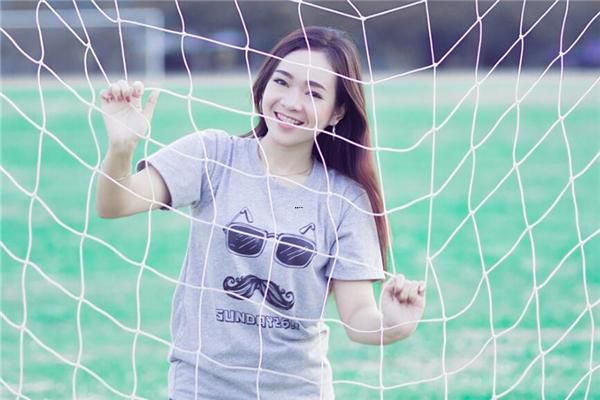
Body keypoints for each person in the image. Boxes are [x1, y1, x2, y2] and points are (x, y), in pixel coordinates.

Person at [97, 26, 426, 400]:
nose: (291, 102)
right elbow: (115, 204)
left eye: (313, 93)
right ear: (263, 86)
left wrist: (392, 326)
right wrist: (121, 148)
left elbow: (358, 318)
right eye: (282, 82)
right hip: (200, 390)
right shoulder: (214, 155)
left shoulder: (345, 199)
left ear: (337, 112)